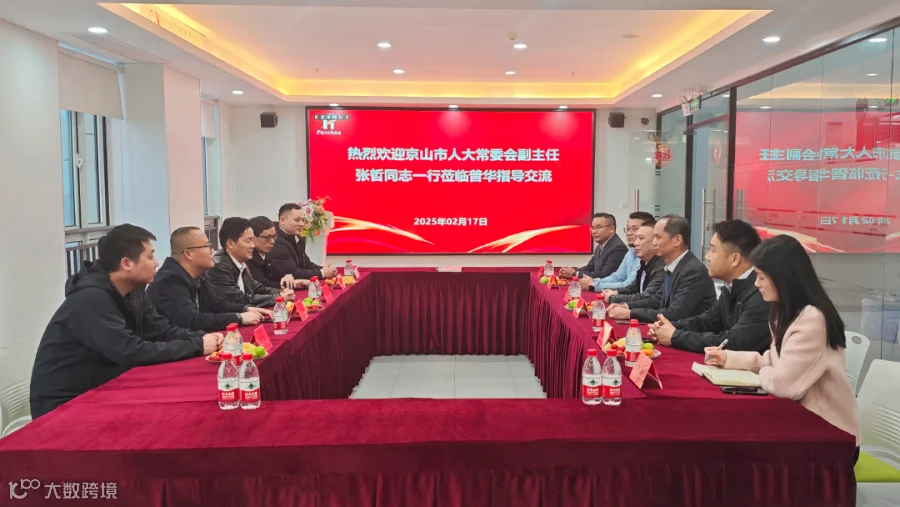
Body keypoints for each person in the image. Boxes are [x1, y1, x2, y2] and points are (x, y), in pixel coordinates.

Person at [30, 225, 222, 419]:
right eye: (150, 257)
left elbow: (161, 330)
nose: (156, 263)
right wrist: (197, 346)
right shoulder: (90, 299)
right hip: (64, 406)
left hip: (106, 387)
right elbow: (130, 351)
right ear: (126, 263)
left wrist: (203, 338)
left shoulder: (134, 290)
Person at [705, 235, 860, 453]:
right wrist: (727, 358)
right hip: (801, 423)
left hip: (829, 437)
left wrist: (763, 373)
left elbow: (783, 385)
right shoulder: (786, 311)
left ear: (783, 278)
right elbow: (773, 358)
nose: (756, 284)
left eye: (761, 277)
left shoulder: (811, 319)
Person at [648, 220, 770, 354]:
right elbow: (708, 321)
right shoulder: (732, 286)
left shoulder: (761, 292)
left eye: (712, 250)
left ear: (734, 259)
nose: (707, 256)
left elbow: (735, 341)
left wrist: (675, 336)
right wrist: (668, 327)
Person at [147, 227, 272, 333]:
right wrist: (239, 318)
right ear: (188, 254)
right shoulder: (169, 281)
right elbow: (191, 321)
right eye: (207, 246)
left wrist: (245, 309)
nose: (212, 250)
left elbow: (216, 305)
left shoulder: (198, 274)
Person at [607, 215, 716, 323]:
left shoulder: (693, 270)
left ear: (677, 240)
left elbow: (675, 313)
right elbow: (656, 300)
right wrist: (626, 306)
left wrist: (630, 313)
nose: (654, 242)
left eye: (658, 237)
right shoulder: (673, 266)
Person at [207, 217, 293, 308]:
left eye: (252, 240)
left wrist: (280, 292)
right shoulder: (220, 266)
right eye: (248, 240)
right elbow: (239, 299)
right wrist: (278, 298)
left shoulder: (240, 262)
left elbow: (256, 288)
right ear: (230, 243)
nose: (253, 245)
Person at [580, 211, 655, 292]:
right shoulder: (631, 251)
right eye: (628, 229)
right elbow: (618, 277)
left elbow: (628, 285)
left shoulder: (621, 248)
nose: (629, 233)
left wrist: (594, 285)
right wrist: (594, 281)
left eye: (634, 229)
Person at [269, 203, 336, 281]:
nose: (301, 224)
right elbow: (293, 273)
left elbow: (305, 263)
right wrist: (322, 273)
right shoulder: (276, 241)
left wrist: (323, 269)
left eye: (303, 220)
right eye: (297, 220)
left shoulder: (297, 236)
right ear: (282, 220)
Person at [604, 221, 664, 305]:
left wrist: (613, 297)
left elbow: (647, 297)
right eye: (636, 238)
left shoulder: (662, 267)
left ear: (655, 242)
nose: (635, 243)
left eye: (641, 238)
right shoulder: (644, 262)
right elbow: (633, 288)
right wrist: (616, 292)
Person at [248, 216, 309, 290]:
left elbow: (279, 274)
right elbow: (263, 285)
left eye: (274, 236)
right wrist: (291, 284)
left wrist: (287, 277)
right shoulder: (249, 258)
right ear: (253, 237)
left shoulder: (267, 254)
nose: (272, 241)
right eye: (268, 237)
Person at [560, 212, 628, 280]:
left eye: (598, 227)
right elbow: (590, 267)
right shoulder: (600, 246)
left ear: (611, 229)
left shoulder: (618, 248)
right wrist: (571, 271)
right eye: (592, 228)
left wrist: (575, 273)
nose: (594, 232)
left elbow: (605, 275)